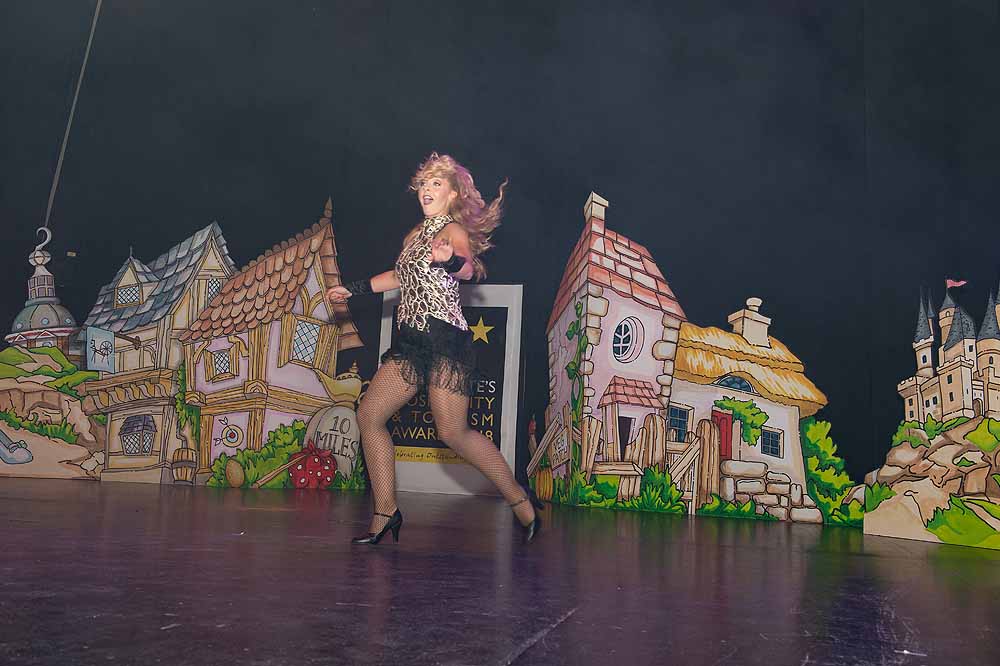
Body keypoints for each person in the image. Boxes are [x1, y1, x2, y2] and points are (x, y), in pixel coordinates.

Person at [327, 152, 543, 546]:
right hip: (411, 343)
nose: (426, 189)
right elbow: (398, 276)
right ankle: (386, 511)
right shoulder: (413, 237)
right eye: (423, 184)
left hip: (444, 342)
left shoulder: (452, 231)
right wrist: (352, 289)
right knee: (369, 415)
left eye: (436, 183)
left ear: (452, 193)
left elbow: (468, 268)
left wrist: (450, 260)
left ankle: (519, 499)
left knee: (452, 432)